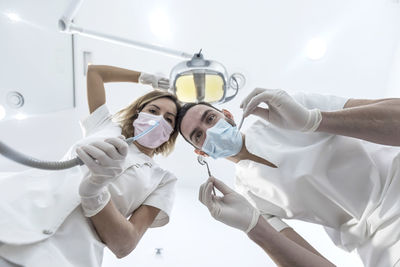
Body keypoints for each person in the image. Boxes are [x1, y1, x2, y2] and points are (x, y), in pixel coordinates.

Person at [176, 88, 400, 267]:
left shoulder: (289, 109)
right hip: (380, 246)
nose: (209, 131)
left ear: (228, 116)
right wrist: (253, 229)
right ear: (202, 152)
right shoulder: (246, 196)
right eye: (198, 135)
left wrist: (313, 120)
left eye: (210, 118)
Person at [0, 65, 180, 267]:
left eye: (168, 119)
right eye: (153, 111)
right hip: (13, 210)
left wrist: (96, 192)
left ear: (171, 132)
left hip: (64, 257)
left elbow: (125, 245)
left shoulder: (163, 179)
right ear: (138, 113)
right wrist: (144, 78)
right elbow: (95, 73)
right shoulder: (106, 126)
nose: (158, 120)